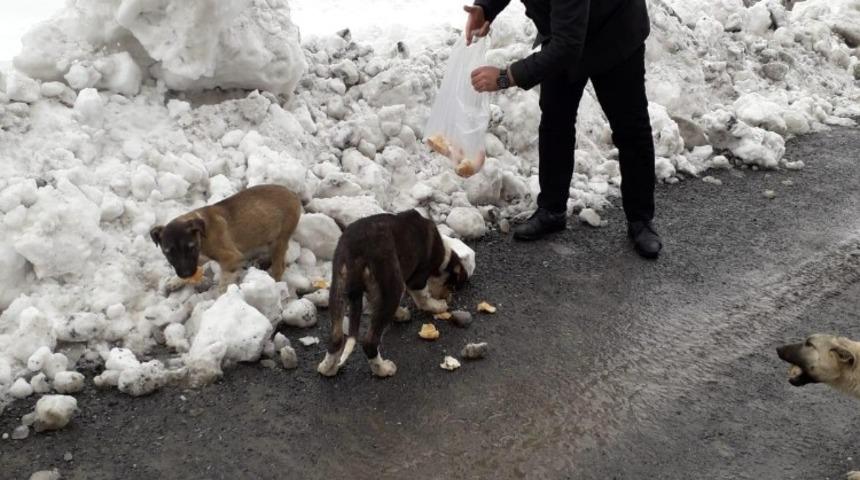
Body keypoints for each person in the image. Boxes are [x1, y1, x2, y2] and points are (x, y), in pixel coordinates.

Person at [465, 0, 662, 259]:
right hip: (565, 27)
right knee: (555, 119)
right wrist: (485, 8)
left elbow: (568, 47)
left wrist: (506, 76)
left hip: (614, 31)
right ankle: (552, 209)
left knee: (629, 127)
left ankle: (640, 220)